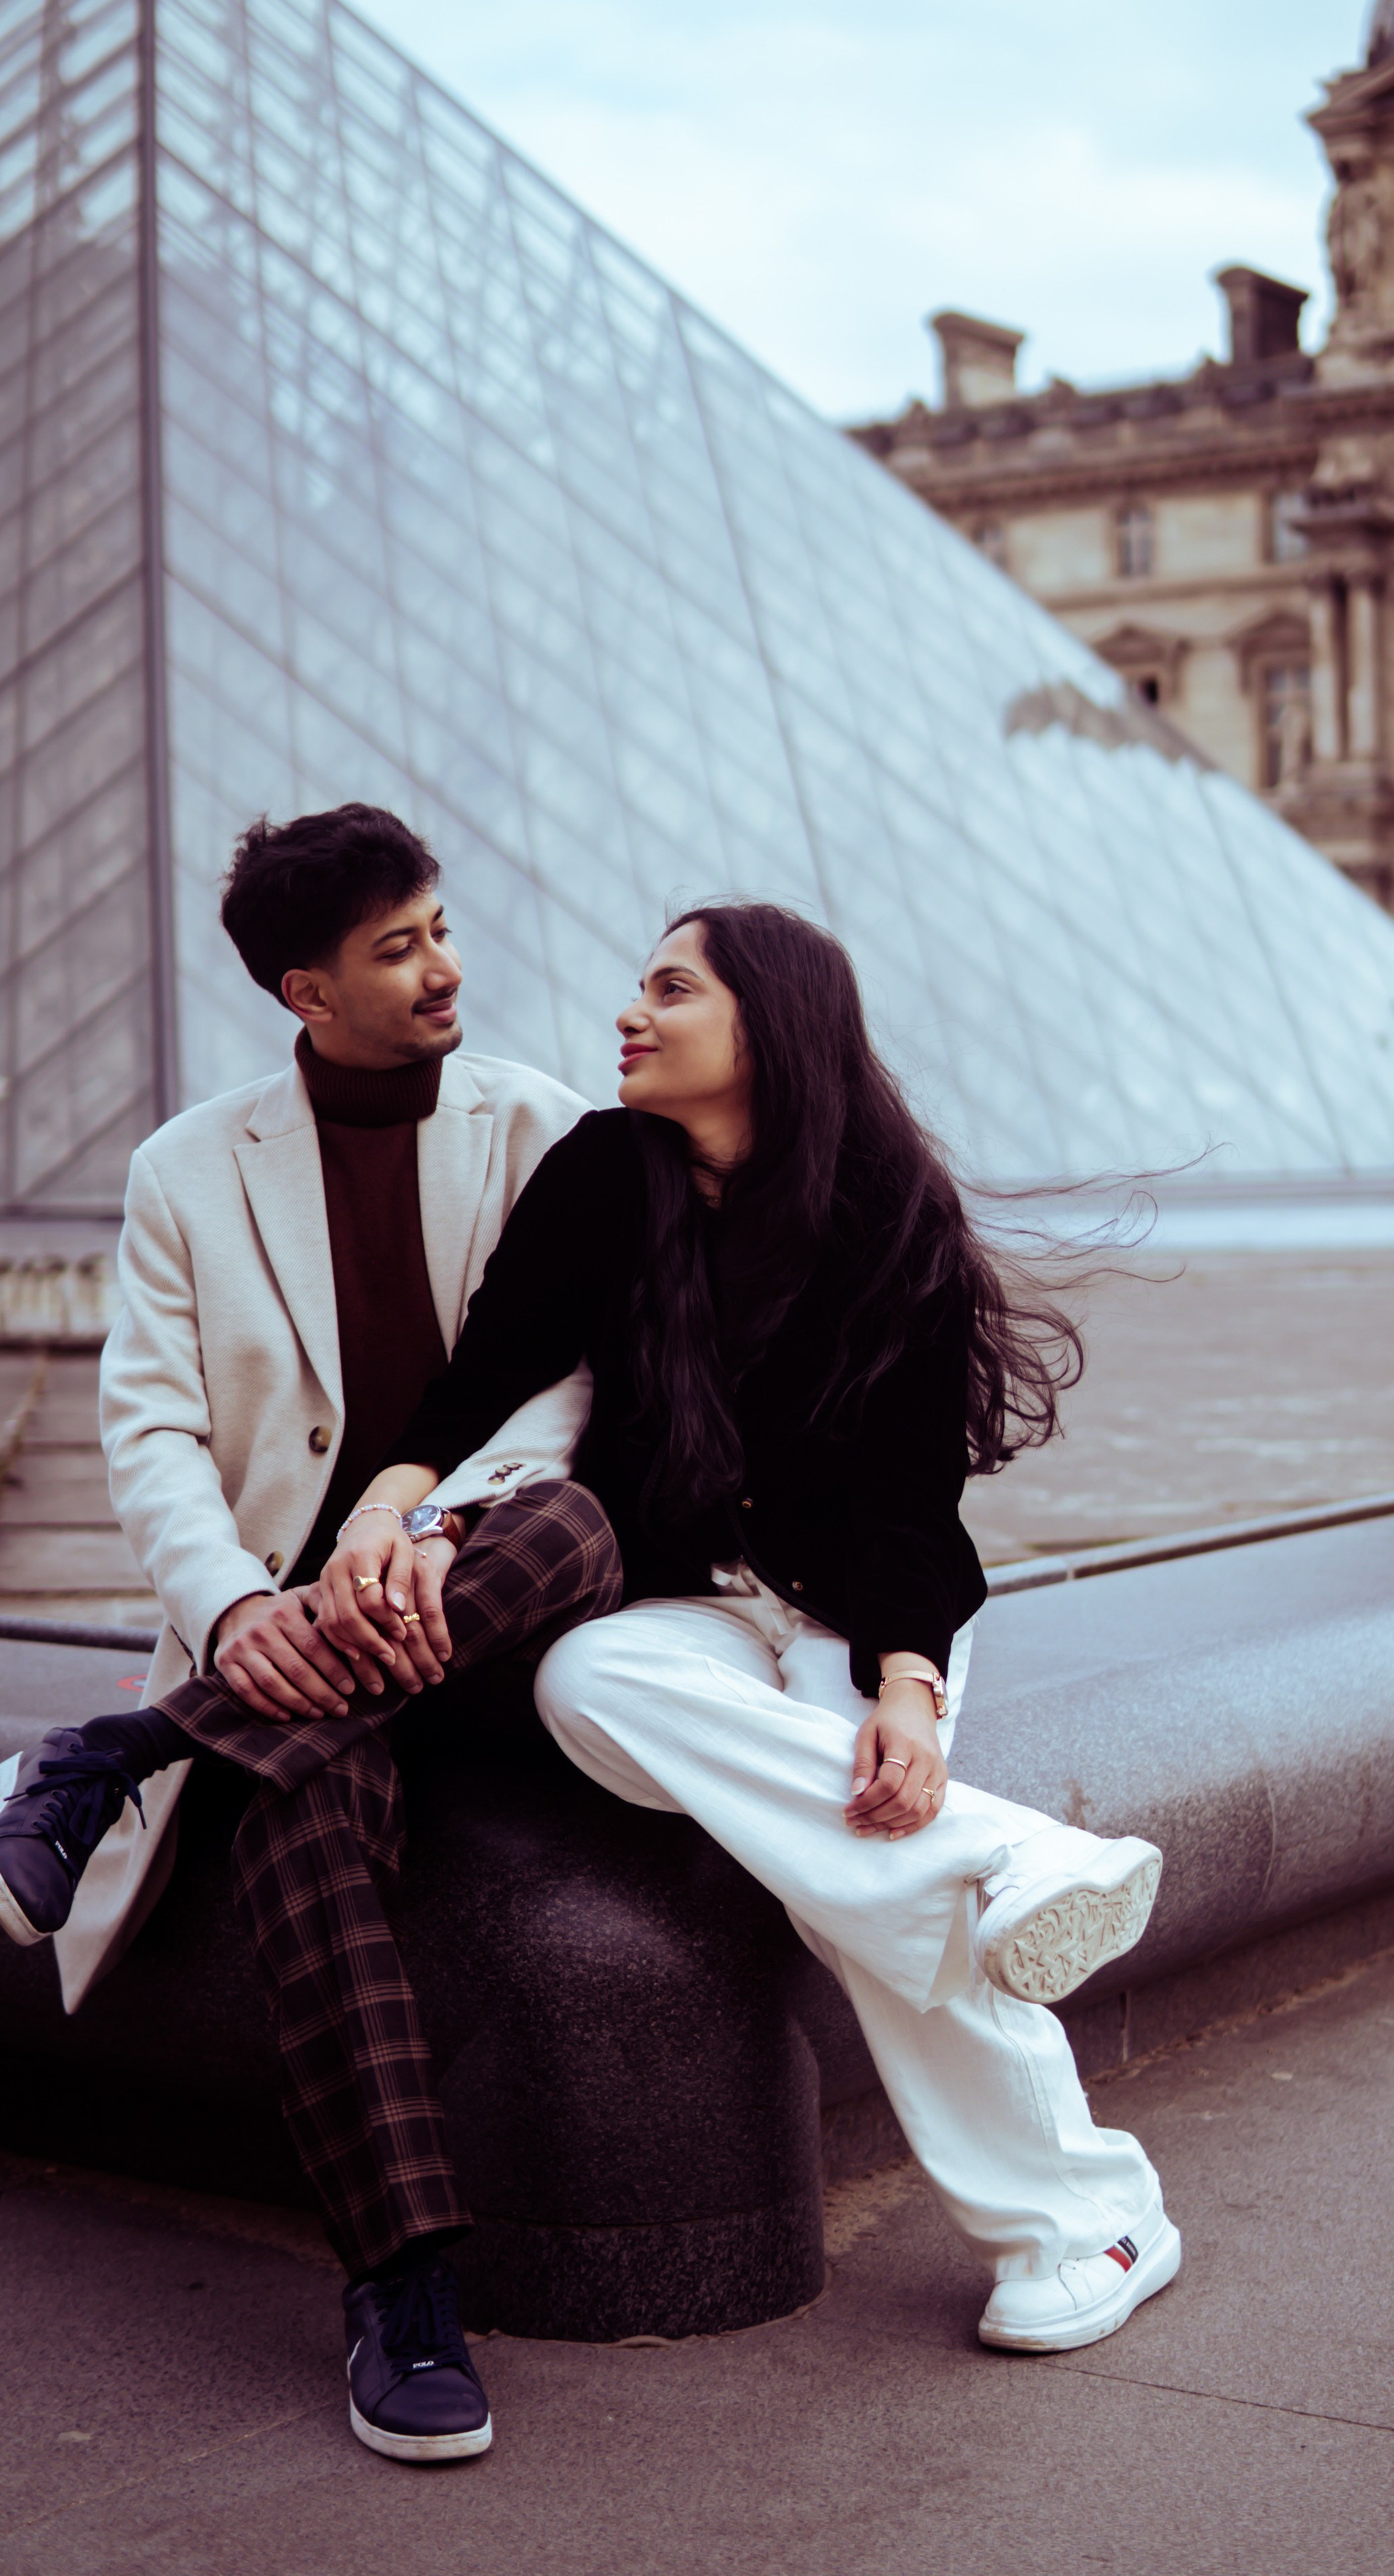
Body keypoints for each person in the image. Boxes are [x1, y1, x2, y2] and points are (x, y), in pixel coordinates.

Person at [322, 902, 1181, 2358]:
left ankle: (1089, 2220)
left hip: (859, 1614)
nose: (629, 1013)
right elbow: (492, 1368)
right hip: (683, 1613)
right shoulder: (606, 1174)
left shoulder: (884, 1214)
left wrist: (904, 1690)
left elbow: (917, 1504)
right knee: (589, 1675)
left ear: (764, 1024)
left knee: (857, 1841)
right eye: (637, 987)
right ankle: (1016, 1859)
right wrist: (387, 1501)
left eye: (668, 988)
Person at [0, 804, 622, 2467]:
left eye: (442, 927)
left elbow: (559, 1397)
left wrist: (413, 1533)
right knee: (306, 1819)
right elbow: (153, 1436)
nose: (443, 968)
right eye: (397, 949)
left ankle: (123, 1749)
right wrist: (245, 1606)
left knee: (576, 1520)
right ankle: (404, 2288)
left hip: (468, 1607)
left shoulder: (542, 1129)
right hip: (287, 1655)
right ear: (303, 991)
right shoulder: (188, 1168)